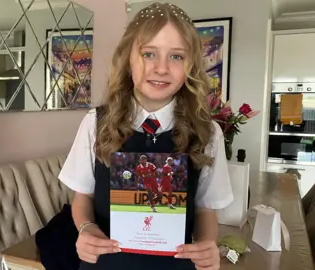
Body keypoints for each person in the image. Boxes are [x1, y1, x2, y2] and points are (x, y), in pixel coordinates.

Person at [58, 2, 233, 270]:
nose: (161, 68)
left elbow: (205, 208)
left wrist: (207, 244)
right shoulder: (95, 123)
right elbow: (83, 196)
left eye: (176, 56)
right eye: (149, 54)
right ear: (128, 58)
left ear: (190, 66)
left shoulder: (208, 134)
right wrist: (86, 228)